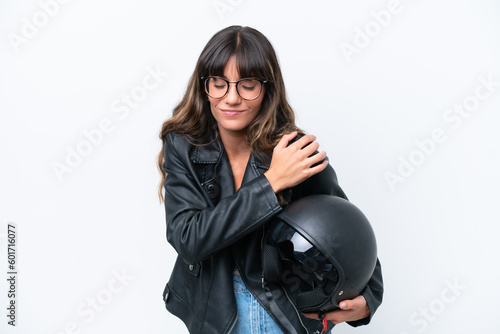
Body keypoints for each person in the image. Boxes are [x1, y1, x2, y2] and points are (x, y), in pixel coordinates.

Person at [157, 25, 383, 334]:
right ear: (204, 86)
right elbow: (188, 239)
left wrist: (369, 297)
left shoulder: (294, 148)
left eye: (247, 84)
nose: (231, 98)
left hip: (284, 308)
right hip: (217, 308)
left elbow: (344, 227)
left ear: (267, 88)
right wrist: (272, 181)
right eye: (218, 83)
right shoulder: (182, 144)